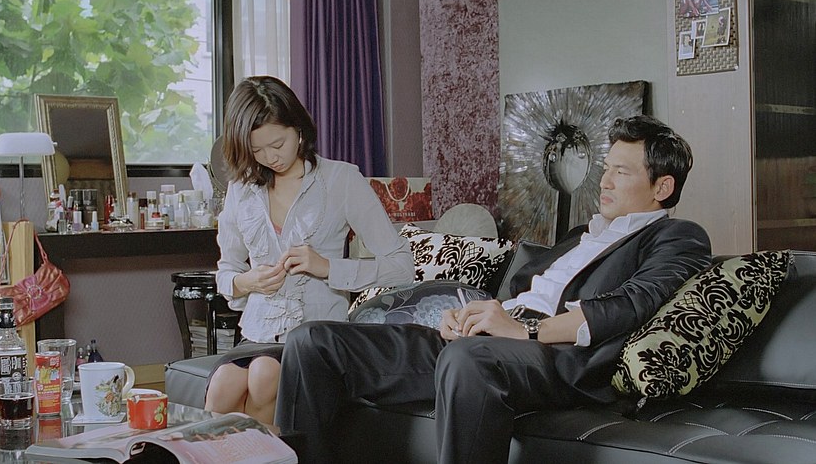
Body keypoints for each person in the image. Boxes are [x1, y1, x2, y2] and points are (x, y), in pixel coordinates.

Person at [275, 115, 713, 463]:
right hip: (495, 343)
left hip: (560, 358)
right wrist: (468, 315)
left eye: (621, 171)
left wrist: (526, 331)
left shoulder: (678, 236)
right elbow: (514, 298)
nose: (605, 181)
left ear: (663, 186)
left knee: (470, 358)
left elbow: (634, 304)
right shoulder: (583, 234)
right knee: (314, 342)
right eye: (607, 168)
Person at [204, 76, 414, 424]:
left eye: (278, 143)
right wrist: (248, 281)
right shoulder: (241, 189)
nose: (271, 157)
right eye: (257, 150)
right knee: (224, 383)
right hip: (257, 334)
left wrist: (328, 267)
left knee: (264, 376)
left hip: (315, 337)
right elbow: (227, 272)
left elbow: (402, 266)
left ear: (299, 129)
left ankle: (266, 450)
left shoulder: (341, 180)